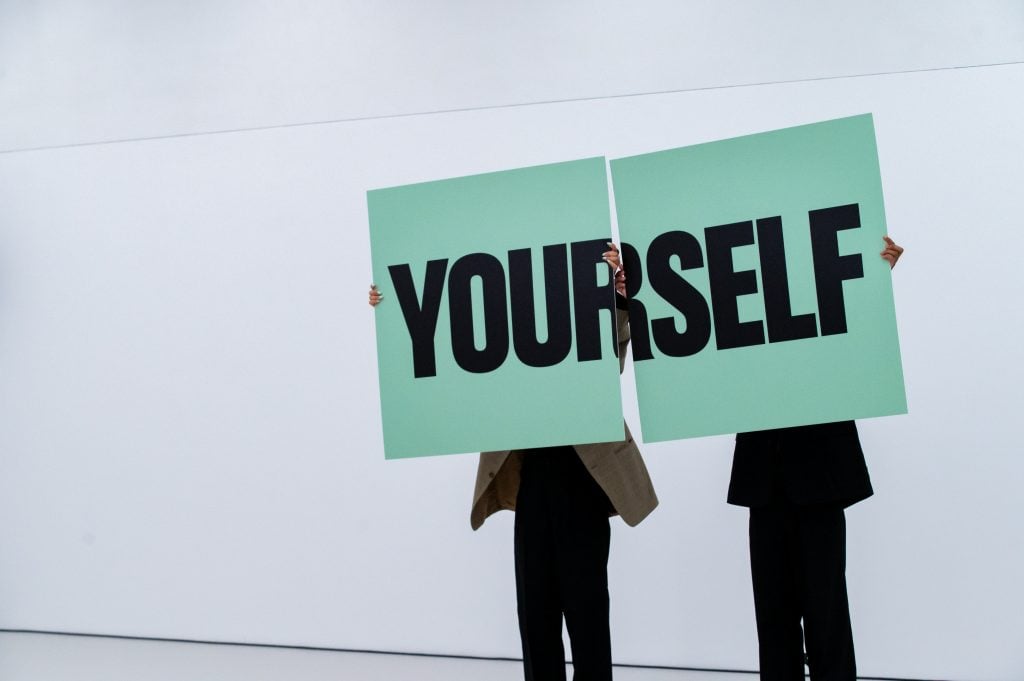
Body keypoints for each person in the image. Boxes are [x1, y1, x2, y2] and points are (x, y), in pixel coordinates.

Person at [370, 243, 657, 681]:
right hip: (532, 484)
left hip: (584, 482)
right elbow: (446, 332)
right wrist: (391, 302)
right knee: (536, 616)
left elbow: (612, 354)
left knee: (587, 614)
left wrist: (615, 295)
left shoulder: (580, 306)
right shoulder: (502, 315)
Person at [726, 236, 905, 681]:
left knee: (826, 613)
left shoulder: (817, 276)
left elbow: (857, 331)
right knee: (773, 615)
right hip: (764, 474)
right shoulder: (740, 286)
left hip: (820, 472)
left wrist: (876, 276)